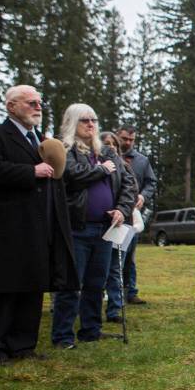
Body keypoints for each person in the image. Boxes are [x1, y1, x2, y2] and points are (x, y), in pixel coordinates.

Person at [0, 85, 78, 363]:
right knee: (2, 290)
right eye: (30, 103)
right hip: (4, 228)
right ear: (11, 107)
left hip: (38, 228)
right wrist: (31, 171)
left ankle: (22, 345)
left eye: (39, 103)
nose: (37, 107)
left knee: (31, 288)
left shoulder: (40, 140)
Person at [52, 104, 136, 348]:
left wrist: (122, 209)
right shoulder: (64, 149)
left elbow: (128, 184)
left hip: (105, 229)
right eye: (84, 120)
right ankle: (63, 336)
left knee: (96, 283)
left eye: (94, 120)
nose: (91, 124)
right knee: (70, 284)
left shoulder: (107, 153)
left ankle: (91, 330)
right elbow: (70, 175)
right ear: (71, 122)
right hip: (76, 228)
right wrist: (100, 171)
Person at [115, 125, 156, 306]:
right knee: (113, 257)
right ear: (117, 136)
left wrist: (143, 196)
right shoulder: (106, 156)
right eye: (124, 139)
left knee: (129, 254)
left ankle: (130, 292)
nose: (128, 143)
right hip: (111, 212)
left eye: (131, 140)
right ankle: (110, 294)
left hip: (132, 214)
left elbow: (151, 183)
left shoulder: (141, 160)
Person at [100, 131, 138, 323]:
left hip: (120, 224)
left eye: (113, 143)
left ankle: (114, 309)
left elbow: (131, 190)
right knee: (97, 270)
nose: (111, 146)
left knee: (116, 268)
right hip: (98, 223)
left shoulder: (125, 167)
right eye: (106, 143)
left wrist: (121, 210)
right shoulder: (94, 165)